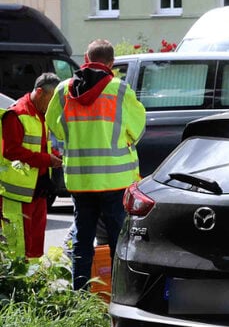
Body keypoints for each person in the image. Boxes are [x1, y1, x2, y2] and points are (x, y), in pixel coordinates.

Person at [46, 39, 146, 289]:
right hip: (115, 180)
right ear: (111, 63)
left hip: (80, 180)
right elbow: (137, 129)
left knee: (83, 238)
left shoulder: (62, 90)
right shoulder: (119, 90)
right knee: (117, 240)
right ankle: (118, 294)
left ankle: (81, 292)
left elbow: (54, 125)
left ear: (86, 59)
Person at [0, 72, 62, 259]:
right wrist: (46, 159)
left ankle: (34, 282)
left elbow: (41, 145)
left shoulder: (40, 113)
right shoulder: (17, 114)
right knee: (16, 247)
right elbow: (11, 151)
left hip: (37, 191)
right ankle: (18, 286)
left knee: (35, 247)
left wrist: (54, 156)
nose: (53, 106)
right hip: (17, 195)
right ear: (40, 92)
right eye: (51, 100)